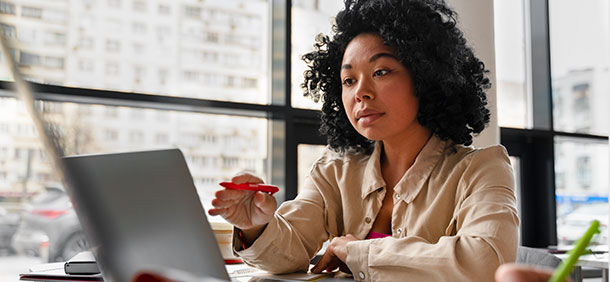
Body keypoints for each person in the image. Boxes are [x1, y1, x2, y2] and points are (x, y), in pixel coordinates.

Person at [208, 0, 519, 281]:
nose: (360, 92)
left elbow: (486, 262)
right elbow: (289, 251)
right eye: (348, 80)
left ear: (427, 79)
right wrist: (256, 226)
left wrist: (356, 252)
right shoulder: (335, 169)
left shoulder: (482, 167)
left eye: (381, 71)